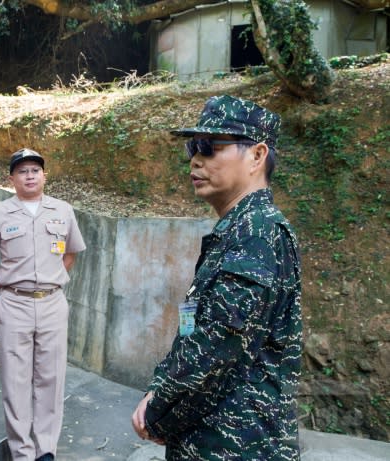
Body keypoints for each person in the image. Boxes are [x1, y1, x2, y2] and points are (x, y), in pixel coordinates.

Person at [131, 95, 302, 460]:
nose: (195, 159)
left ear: (257, 156)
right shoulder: (238, 230)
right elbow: (198, 332)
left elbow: (216, 345)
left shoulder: (257, 232)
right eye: (195, 147)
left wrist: (158, 409)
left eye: (210, 147)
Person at [0, 148, 86, 461]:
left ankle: (45, 448)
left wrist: (51, 281)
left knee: (51, 377)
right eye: (22, 171)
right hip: (14, 304)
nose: (29, 176)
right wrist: (10, 286)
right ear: (11, 178)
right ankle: (22, 450)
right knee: (16, 377)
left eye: (35, 170)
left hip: (52, 303)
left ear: (44, 175)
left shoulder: (62, 210)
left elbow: (71, 255)